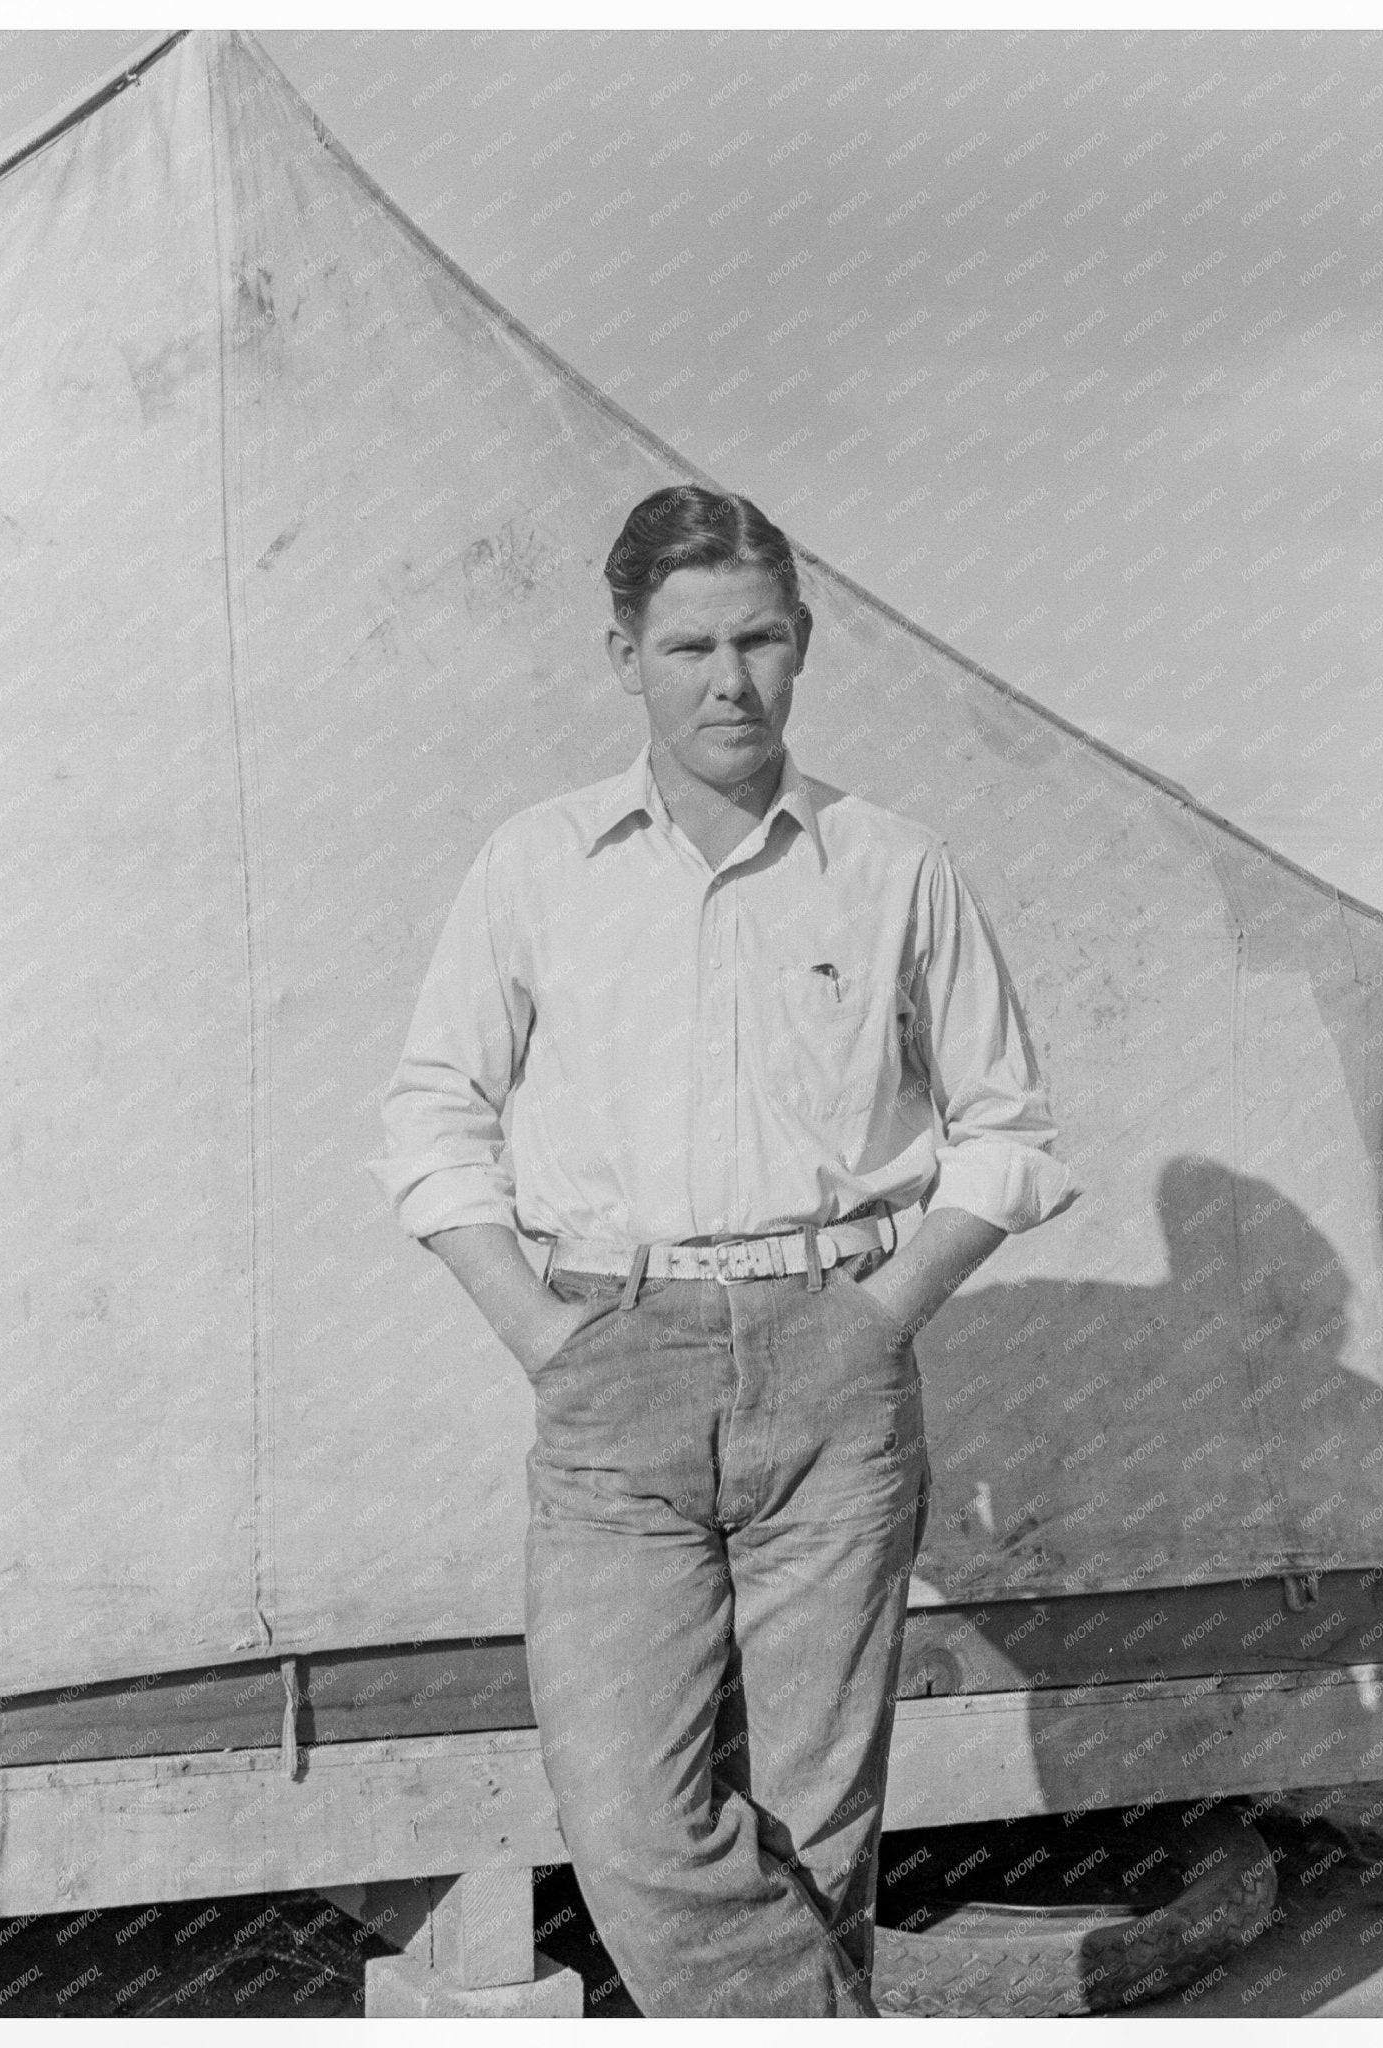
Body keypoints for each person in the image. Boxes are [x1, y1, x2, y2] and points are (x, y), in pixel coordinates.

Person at [371, 484, 1073, 2015]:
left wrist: (878, 1314)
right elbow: (433, 1122)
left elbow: (1008, 1130)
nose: (727, 680)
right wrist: (548, 1336)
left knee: (818, 1825)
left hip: (833, 1369)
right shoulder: (536, 865)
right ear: (624, 653)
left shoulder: (893, 865)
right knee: (629, 1815)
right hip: (614, 1369)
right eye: (687, 644)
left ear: (805, 645)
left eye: (759, 639)